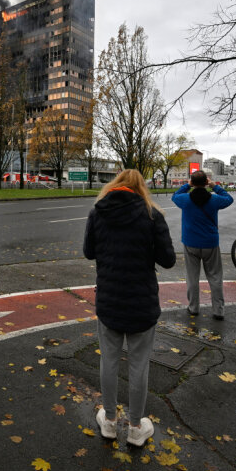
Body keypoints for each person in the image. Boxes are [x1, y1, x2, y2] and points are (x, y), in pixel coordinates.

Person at [83, 169, 176, 447]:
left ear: (115, 185)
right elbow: (168, 259)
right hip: (141, 300)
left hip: (109, 298)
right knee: (139, 365)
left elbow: (89, 252)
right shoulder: (152, 215)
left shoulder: (98, 212)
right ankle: (136, 427)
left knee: (108, 361)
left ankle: (109, 421)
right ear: (141, 188)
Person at [171, 170, 234, 319]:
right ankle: (218, 310)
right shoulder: (214, 199)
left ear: (192, 182)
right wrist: (214, 186)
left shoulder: (185, 200)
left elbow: (174, 196)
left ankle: (193, 307)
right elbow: (229, 199)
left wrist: (187, 186)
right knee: (215, 277)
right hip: (210, 243)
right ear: (206, 182)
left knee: (192, 277)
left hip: (190, 243)